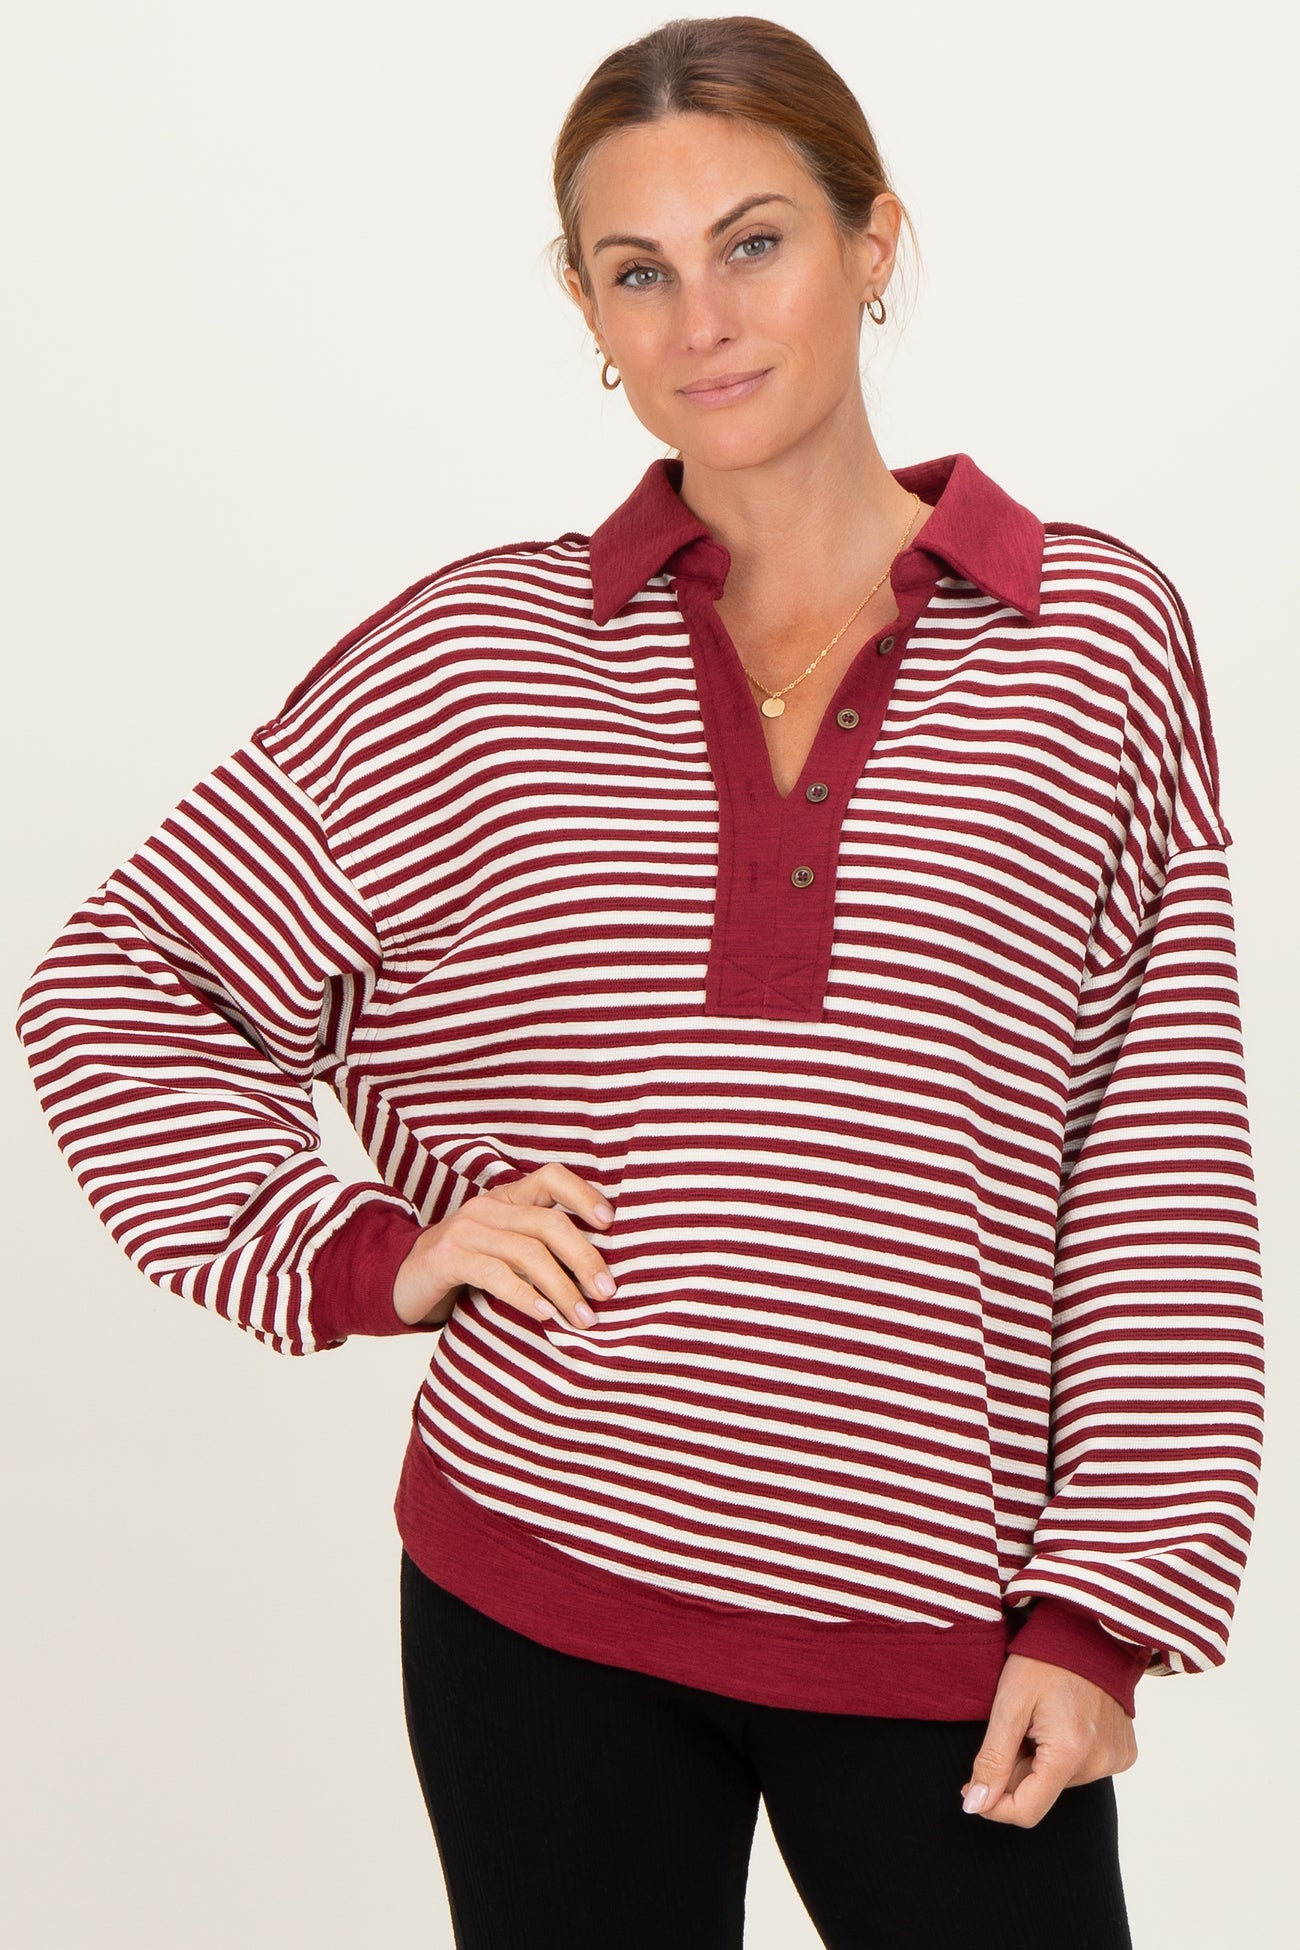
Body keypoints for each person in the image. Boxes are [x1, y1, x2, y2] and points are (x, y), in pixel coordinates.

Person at [16, 15, 1265, 1950]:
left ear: (872, 240)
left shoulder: (1088, 636)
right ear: (588, 312)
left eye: (754, 242)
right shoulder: (477, 655)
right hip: (539, 1589)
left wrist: (1107, 1607)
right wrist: (368, 1251)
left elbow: (1153, 1152)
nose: (704, 319)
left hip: (939, 1622)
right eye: (638, 270)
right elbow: (120, 981)